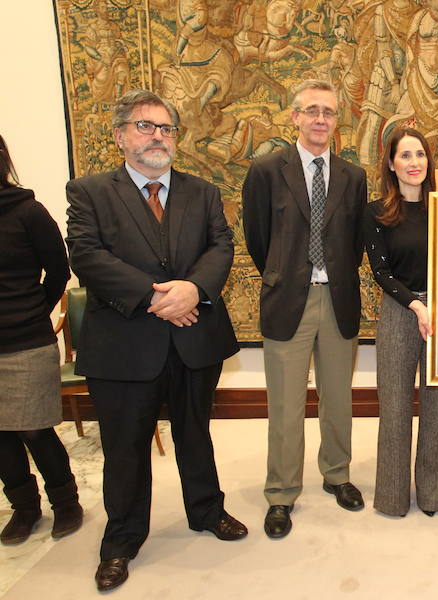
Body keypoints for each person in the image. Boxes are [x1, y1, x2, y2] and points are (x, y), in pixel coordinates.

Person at [66, 90, 246, 592]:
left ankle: (207, 511)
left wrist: (193, 289)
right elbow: (86, 255)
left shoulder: (202, 192)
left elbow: (221, 245)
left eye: (165, 128)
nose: (157, 136)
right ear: (121, 135)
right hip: (125, 344)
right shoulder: (89, 192)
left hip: (195, 339)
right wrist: (154, 298)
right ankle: (121, 541)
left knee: (196, 434)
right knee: (125, 449)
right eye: (146, 126)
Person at [242, 79, 368, 539]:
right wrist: (285, 273)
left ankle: (337, 475)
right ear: (294, 117)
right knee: (286, 406)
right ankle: (281, 493)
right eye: (311, 110)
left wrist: (329, 273)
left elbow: (354, 243)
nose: (320, 119)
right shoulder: (266, 170)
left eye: (329, 112)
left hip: (338, 300)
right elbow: (257, 237)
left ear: (338, 121)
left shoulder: (353, 176)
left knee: (338, 399)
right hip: (287, 301)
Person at [363, 128, 438, 517]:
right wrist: (416, 306)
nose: (414, 162)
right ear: (391, 164)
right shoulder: (375, 212)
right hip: (399, 312)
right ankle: (391, 496)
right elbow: (381, 272)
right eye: (405, 155)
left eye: (419, 154)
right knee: (395, 406)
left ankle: (435, 495)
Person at [0, 134, 81, 545]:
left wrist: (31, 312)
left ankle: (65, 502)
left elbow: (58, 271)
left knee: (34, 429)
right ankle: (24, 508)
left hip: (25, 341)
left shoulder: (27, 212)